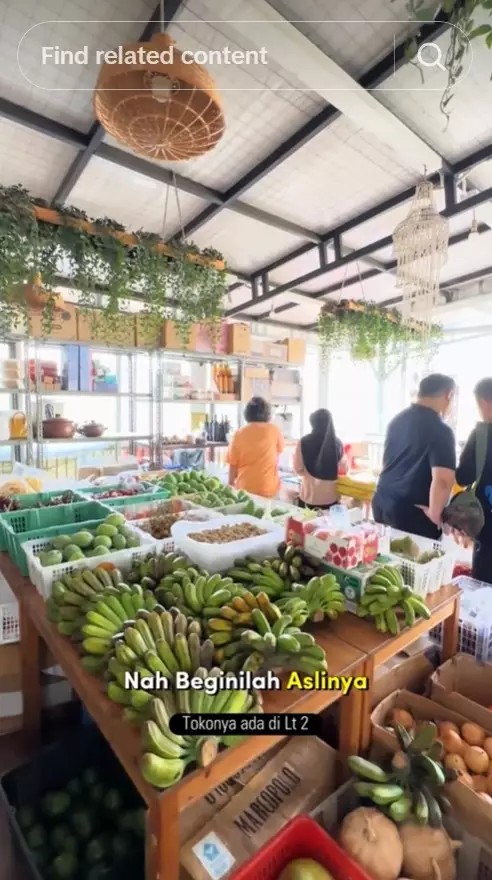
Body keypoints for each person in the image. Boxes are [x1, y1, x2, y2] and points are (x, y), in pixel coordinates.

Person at [372, 373, 456, 539]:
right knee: (414, 562)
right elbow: (443, 480)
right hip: (412, 513)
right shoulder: (441, 430)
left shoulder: (397, 420)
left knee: (387, 558)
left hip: (382, 501)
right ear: (448, 395)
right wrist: (434, 513)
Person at [454, 378, 492, 584]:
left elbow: (463, 477)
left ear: (485, 402)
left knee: (484, 587)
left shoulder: (481, 435)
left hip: (487, 530)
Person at [227, 397, 284, 498]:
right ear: (267, 413)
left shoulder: (239, 434)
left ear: (247, 413)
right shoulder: (274, 430)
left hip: (245, 490)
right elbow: (277, 455)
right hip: (268, 488)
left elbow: (233, 465)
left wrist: (230, 485)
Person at [293, 409, 343, 510]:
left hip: (309, 496)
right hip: (331, 499)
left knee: (305, 524)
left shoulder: (303, 442)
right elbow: (343, 470)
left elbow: (298, 468)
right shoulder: (337, 443)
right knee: (327, 526)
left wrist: (309, 475)